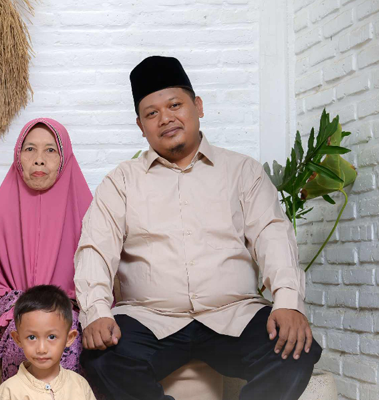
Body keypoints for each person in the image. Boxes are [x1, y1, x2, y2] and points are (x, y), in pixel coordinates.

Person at [75, 56, 322, 400]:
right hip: (149, 319)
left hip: (233, 315)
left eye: (175, 105)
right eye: (152, 113)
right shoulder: (121, 182)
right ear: (141, 126)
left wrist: (288, 301)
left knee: (296, 351)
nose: (165, 118)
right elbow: (95, 248)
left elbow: (272, 235)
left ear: (198, 106)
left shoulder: (242, 172)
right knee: (102, 358)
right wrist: (96, 312)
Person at [0, 118, 92, 380]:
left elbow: (99, 278)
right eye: (30, 149)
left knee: (68, 343)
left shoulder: (88, 214)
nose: (39, 160)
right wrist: (23, 311)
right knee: (22, 342)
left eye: (50, 150)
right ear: (18, 156)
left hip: (69, 311)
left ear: (64, 157)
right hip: (17, 311)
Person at [0, 285, 95, 400]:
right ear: (18, 339)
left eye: (51, 337)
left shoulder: (80, 386)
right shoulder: (8, 393)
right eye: (32, 337)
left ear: (69, 338)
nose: (41, 349)